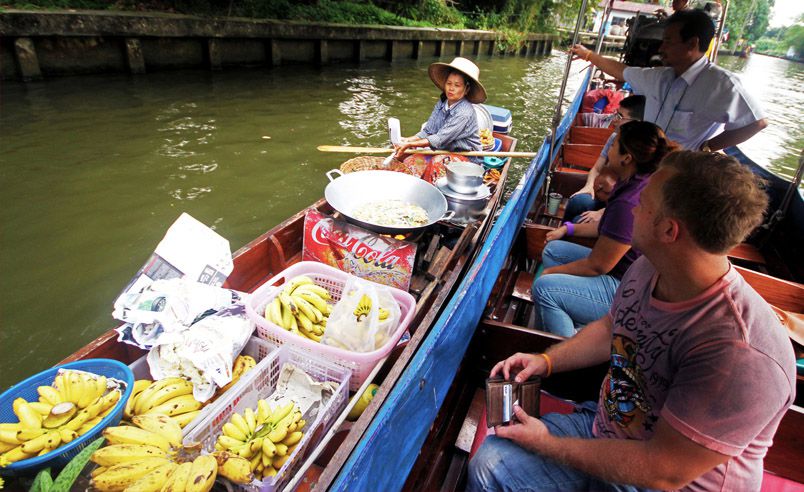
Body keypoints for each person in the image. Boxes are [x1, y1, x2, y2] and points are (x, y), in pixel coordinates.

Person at [469, 151, 795, 491]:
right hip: (607, 428)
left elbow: (664, 471)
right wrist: (547, 361)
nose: (633, 207)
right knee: (492, 465)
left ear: (669, 230)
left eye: (644, 202)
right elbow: (613, 326)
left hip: (661, 481)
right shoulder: (650, 266)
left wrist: (546, 445)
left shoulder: (740, 353)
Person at [533, 122, 679, 337]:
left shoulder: (629, 202)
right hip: (623, 272)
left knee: (544, 287)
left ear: (626, 157)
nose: (608, 149)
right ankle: (567, 317)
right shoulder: (631, 182)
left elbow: (597, 266)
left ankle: (570, 349)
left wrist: (549, 274)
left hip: (627, 289)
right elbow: (604, 228)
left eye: (613, 145)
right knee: (553, 250)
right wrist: (568, 229)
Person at [571, 10, 767, 151]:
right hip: (645, 163)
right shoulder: (659, 77)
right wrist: (589, 56)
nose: (660, 48)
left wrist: (707, 147)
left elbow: (756, 122)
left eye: (668, 41)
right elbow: (623, 71)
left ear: (692, 44)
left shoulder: (721, 85)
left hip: (679, 172)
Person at [393, 57, 485, 178]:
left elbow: (440, 139)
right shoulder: (442, 102)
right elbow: (428, 131)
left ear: (466, 89)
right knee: (409, 160)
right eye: (449, 83)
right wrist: (407, 140)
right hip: (445, 151)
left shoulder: (465, 112)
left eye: (457, 85)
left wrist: (410, 145)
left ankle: (429, 193)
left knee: (436, 163)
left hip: (467, 157)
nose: (451, 88)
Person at [564, 95, 646, 224]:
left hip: (622, 205)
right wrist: (589, 186)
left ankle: (567, 234)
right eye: (616, 115)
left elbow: (633, 197)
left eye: (620, 117)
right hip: (605, 192)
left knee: (579, 220)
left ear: (637, 122)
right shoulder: (614, 137)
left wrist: (602, 213)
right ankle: (562, 233)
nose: (614, 120)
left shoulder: (643, 152)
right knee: (578, 202)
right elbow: (597, 168)